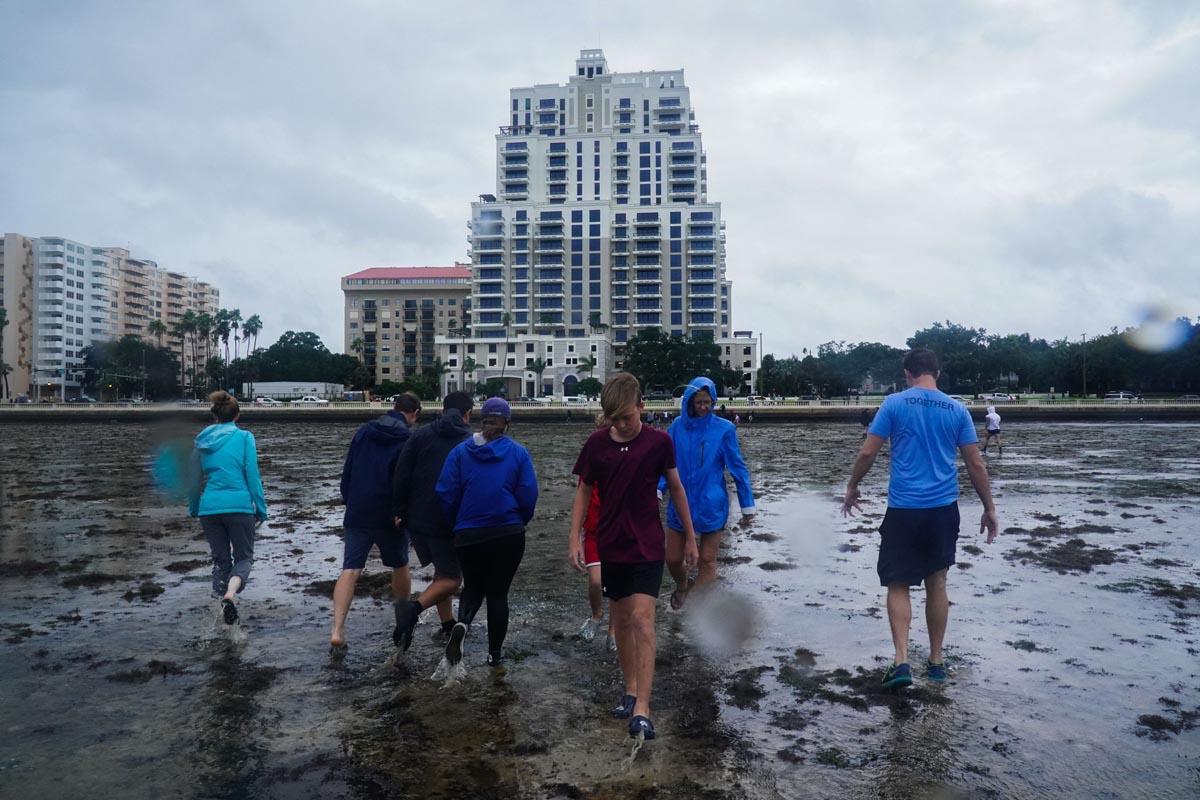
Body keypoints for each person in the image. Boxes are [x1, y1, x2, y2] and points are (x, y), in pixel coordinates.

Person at [841, 349, 999, 689]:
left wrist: (853, 485)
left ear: (907, 373)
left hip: (904, 509)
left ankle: (901, 661)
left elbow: (868, 451)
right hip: (943, 509)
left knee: (898, 583)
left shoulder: (895, 404)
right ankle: (936, 661)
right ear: (937, 373)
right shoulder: (956, 409)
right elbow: (975, 464)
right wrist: (989, 507)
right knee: (937, 583)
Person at [569, 373, 698, 741]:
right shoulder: (596, 445)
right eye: (614, 419)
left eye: (627, 416)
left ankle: (643, 707)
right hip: (611, 544)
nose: (622, 425)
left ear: (642, 407)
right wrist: (574, 537)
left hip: (646, 544)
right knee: (622, 621)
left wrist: (689, 537)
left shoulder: (659, 442)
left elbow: (675, 488)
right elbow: (583, 491)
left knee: (643, 619)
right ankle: (629, 690)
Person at [435, 397, 538, 668]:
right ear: (507, 423)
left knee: (472, 587)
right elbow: (528, 495)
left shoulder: (459, 452)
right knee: (498, 594)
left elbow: (445, 493)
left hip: (468, 534)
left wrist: (456, 523)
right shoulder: (518, 453)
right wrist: (519, 519)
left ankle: (464, 623)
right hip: (508, 532)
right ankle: (494, 655)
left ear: (482, 420)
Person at [329, 393, 421, 652]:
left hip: (359, 509)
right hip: (389, 514)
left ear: (394, 408)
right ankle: (402, 621)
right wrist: (404, 511)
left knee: (350, 570)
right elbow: (405, 479)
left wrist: (348, 498)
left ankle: (337, 629)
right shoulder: (409, 438)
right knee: (400, 565)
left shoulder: (364, 431)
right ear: (413, 414)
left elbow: (349, 469)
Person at [661, 377, 755, 610]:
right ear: (689, 402)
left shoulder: (724, 430)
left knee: (707, 559)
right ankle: (683, 584)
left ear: (713, 402)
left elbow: (738, 468)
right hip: (680, 504)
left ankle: (698, 611)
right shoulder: (675, 429)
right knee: (672, 558)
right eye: (698, 402)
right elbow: (665, 464)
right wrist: (658, 488)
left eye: (707, 402)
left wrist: (747, 505)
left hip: (712, 504)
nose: (703, 407)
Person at [391, 392, 474, 650]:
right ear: (468, 414)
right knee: (452, 578)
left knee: (442, 570)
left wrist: (400, 511)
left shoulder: (420, 435)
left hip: (418, 518)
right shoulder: (469, 440)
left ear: (442, 410)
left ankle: (447, 624)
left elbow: (401, 474)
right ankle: (412, 609)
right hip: (451, 518)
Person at [187, 391, 268, 625]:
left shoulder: (201, 441)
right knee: (243, 558)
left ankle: (219, 617)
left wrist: (194, 507)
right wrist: (261, 509)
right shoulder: (244, 438)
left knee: (221, 562)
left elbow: (193, 479)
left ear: (214, 416)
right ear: (237, 415)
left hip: (209, 508)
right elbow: (252, 476)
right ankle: (230, 596)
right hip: (240, 507)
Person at [575, 413, 612, 646]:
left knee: (617, 588)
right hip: (594, 532)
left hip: (617, 531)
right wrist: (576, 535)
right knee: (596, 582)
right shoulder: (589, 461)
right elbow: (581, 497)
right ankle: (597, 614)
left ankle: (613, 631)